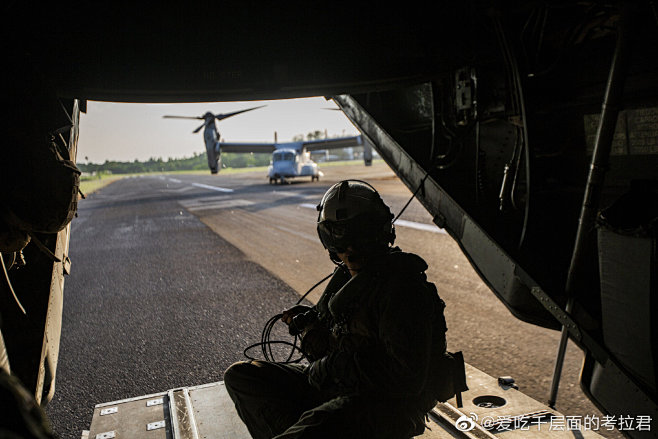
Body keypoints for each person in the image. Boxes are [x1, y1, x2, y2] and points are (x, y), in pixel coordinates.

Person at [224, 180, 461, 439]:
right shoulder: (349, 281)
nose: (350, 247)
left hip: (388, 407)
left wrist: (332, 368)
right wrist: (311, 324)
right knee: (243, 376)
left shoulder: (402, 288)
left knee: (313, 424)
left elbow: (406, 378)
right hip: (343, 389)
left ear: (378, 232)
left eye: (359, 234)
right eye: (339, 235)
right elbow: (342, 335)